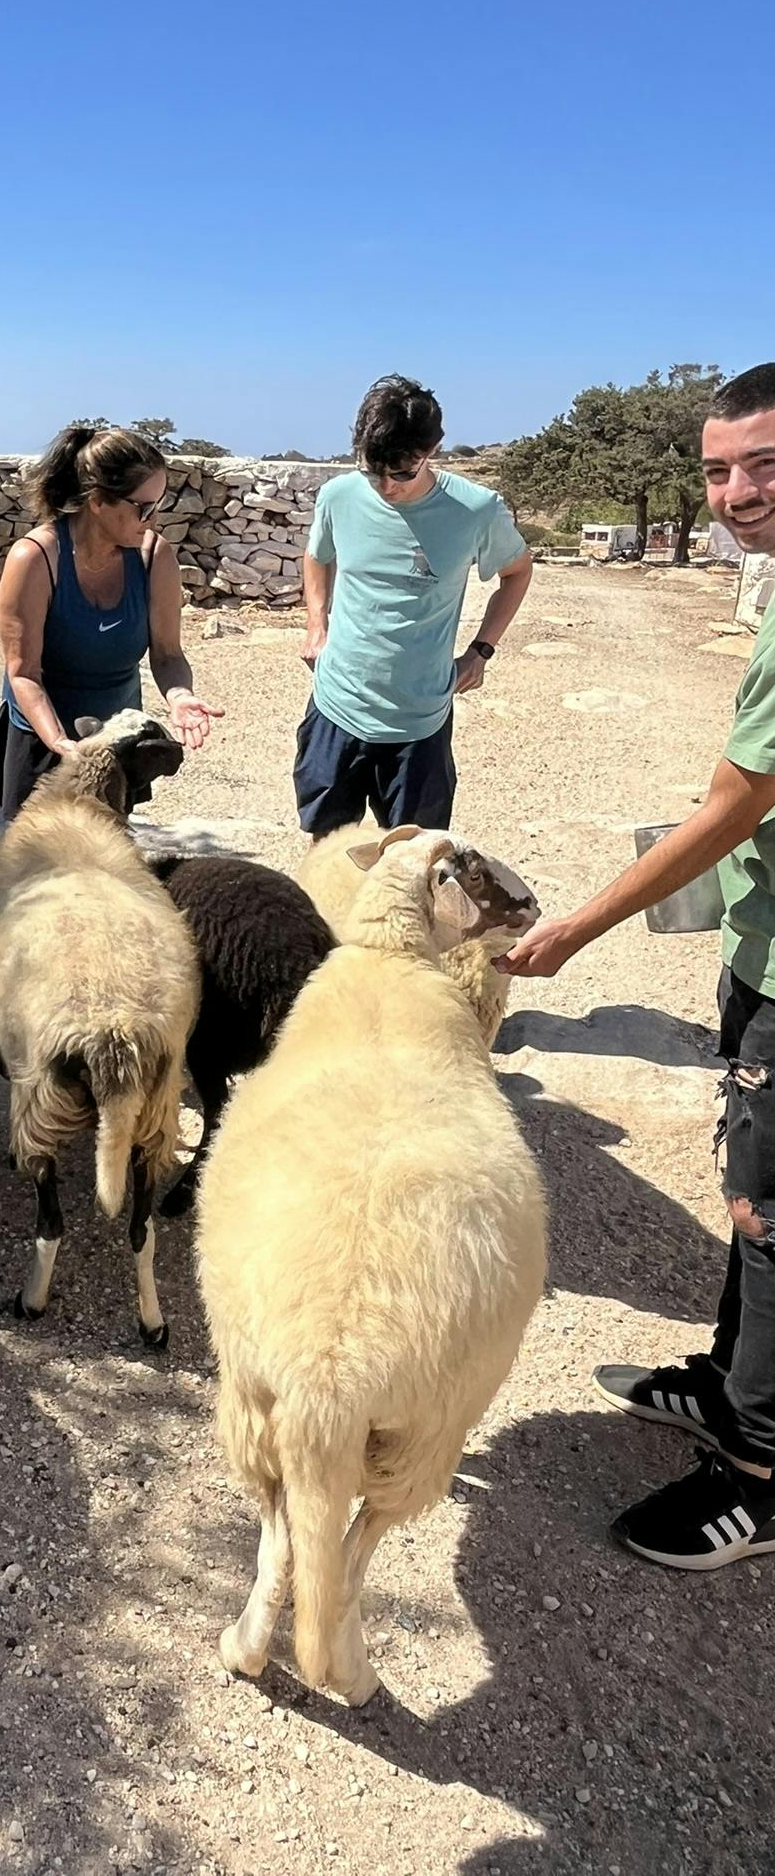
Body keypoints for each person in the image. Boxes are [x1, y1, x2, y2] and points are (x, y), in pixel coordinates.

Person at [501, 362, 775, 1573]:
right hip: (761, 940)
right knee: (747, 1183)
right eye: (718, 468)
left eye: (763, 463)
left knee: (769, 1214)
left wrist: (571, 931)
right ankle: (728, 1384)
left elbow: (731, 804)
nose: (736, 492)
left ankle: (760, 1474)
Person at [295, 374, 533, 837]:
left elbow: (518, 572)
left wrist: (481, 651)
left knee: (413, 867)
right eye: (372, 469)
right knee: (326, 855)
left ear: (434, 450)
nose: (386, 485)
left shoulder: (477, 510)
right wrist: (315, 624)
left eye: (402, 471)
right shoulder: (338, 496)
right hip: (335, 708)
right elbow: (317, 555)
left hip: (419, 725)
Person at [0, 424, 223, 818]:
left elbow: (168, 654)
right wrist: (61, 744)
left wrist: (179, 696)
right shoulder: (36, 559)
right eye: (144, 507)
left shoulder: (152, 556)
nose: (154, 520)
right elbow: (23, 674)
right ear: (97, 501)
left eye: (160, 504)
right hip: (43, 738)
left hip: (116, 740)